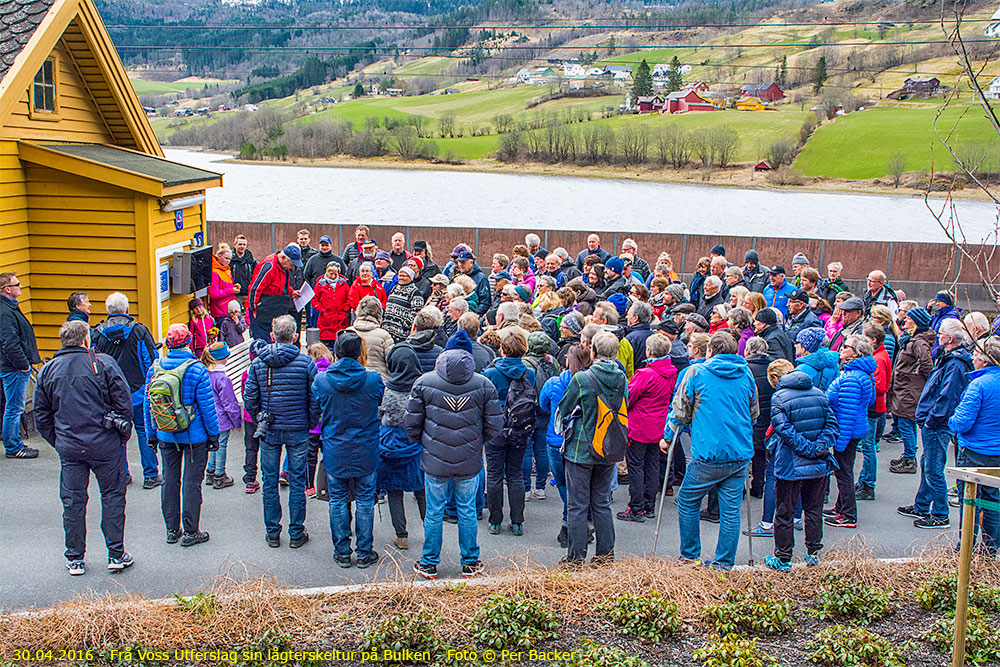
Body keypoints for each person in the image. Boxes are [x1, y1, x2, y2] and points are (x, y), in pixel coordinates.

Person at [34, 320, 133, 575]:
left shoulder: (48, 370)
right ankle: (115, 553)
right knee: (112, 496)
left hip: (69, 445)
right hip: (105, 443)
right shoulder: (103, 363)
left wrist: (58, 441)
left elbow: (41, 415)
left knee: (73, 501)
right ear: (86, 339)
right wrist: (119, 436)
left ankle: (75, 557)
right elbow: (124, 404)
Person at [407, 330, 503, 579]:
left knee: (434, 510)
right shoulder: (484, 384)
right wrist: (476, 442)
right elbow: (494, 425)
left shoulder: (424, 382)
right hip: (469, 458)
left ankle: (429, 562)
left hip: (435, 458)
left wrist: (428, 443)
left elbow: (412, 423)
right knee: (467, 510)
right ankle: (470, 562)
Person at [668, 331, 759, 570]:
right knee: (730, 510)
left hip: (708, 452)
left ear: (710, 351)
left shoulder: (696, 373)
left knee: (688, 500)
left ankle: (690, 556)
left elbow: (680, 412)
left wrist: (668, 437)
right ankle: (723, 564)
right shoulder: (746, 373)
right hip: (739, 452)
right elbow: (753, 413)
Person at [243, 315, 319, 549]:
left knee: (269, 481)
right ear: (296, 337)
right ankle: (296, 531)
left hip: (270, 428)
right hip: (297, 427)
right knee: (297, 481)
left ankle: (272, 531)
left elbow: (249, 398)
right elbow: (314, 398)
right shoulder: (306, 363)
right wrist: (309, 421)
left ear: (272, 336)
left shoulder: (258, 363)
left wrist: (259, 418)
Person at [144, 323, 220, 547]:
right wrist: (213, 436)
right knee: (191, 482)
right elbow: (207, 408)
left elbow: (149, 405)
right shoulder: (197, 369)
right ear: (188, 341)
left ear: (168, 344)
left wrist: (151, 434)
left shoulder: (155, 368)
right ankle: (191, 531)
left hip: (166, 433)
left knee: (169, 481)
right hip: (194, 436)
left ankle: (171, 530)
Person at [312, 331, 385, 568]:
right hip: (366, 447)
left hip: (335, 447)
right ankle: (364, 551)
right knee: (365, 499)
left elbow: (316, 408)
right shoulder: (373, 380)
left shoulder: (322, 381)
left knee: (338, 499)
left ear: (337, 352)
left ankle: (342, 551)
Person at [558, 331, 629, 566]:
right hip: (609, 447)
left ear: (593, 351)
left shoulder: (582, 379)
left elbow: (565, 408)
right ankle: (605, 557)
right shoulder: (621, 378)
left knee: (577, 506)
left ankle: (575, 558)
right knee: (601, 504)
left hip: (580, 448)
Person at [763, 364, 839, 572]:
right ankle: (813, 554)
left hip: (790, 463)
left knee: (784, 511)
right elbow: (832, 425)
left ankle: (783, 557)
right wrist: (819, 447)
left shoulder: (779, 397)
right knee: (814, 510)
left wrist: (805, 448)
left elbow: (783, 429)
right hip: (818, 462)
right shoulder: (821, 395)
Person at [900, 319, 974, 529]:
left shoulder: (955, 363)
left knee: (933, 468)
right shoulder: (949, 359)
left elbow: (947, 396)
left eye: (940, 333)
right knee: (927, 463)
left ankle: (940, 513)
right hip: (934, 422)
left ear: (950, 338)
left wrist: (931, 420)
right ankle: (922, 504)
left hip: (937, 424)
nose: (937, 336)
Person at [93, 292, 161, 487]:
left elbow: (94, 364)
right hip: (138, 390)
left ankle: (121, 475)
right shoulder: (138, 331)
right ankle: (150, 475)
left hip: (112, 393)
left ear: (108, 311)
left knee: (116, 434)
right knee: (144, 431)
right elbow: (152, 358)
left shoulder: (97, 333)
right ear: (127, 309)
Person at [948, 337, 1000, 555]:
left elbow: (961, 422)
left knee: (969, 502)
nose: (972, 357)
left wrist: (950, 422)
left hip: (974, 453)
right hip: (997, 454)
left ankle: (965, 549)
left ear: (985, 361)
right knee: (993, 503)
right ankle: (990, 549)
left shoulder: (978, 385)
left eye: (976, 355)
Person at [618, 334, 677, 522]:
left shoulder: (645, 374)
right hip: (659, 424)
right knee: (652, 464)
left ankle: (636, 507)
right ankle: (649, 504)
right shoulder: (672, 372)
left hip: (639, 425)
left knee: (636, 466)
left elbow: (629, 397)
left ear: (649, 351)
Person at [483, 330, 535, 536]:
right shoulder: (529, 373)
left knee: (494, 474)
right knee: (515, 475)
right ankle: (518, 521)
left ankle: (495, 521)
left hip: (495, 428)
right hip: (520, 428)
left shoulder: (491, 373)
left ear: (502, 349)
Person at [823, 335, 876, 530]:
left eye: (846, 347)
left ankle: (848, 514)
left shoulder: (853, 378)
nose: (841, 349)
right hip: (853, 429)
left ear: (856, 353)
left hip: (847, 432)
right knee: (844, 471)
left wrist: (839, 442)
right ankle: (841, 507)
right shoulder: (861, 373)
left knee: (844, 472)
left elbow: (847, 413)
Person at [887, 306, 935, 475]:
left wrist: (914, 377)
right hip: (904, 388)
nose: (904, 320)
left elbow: (927, 366)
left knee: (906, 423)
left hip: (909, 389)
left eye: (908, 319)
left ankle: (909, 458)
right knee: (906, 422)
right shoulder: (910, 340)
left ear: (916, 322)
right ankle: (909, 455)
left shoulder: (919, 342)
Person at [0, 272, 40, 459]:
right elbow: (9, 342)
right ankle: (13, 446)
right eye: (17, 284)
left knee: (12, 406)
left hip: (11, 366)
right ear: (7, 289)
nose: (20, 287)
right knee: (14, 407)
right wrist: (23, 364)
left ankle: (12, 441)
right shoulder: (5, 311)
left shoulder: (8, 308)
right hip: (13, 368)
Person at [855, 322, 892, 501]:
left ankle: (868, 484)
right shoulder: (879, 355)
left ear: (873, 340)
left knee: (868, 448)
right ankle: (864, 479)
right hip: (875, 406)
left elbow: (880, 386)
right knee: (867, 447)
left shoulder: (878, 358)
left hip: (873, 408)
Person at [523, 332, 559, 500]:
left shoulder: (525, 363)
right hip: (546, 410)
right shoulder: (553, 362)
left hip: (529, 410)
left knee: (527, 449)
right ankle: (540, 487)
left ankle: (526, 488)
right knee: (542, 449)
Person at [202, 343, 241, 490]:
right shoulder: (222, 379)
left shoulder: (206, 374)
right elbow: (229, 403)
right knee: (221, 445)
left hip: (209, 416)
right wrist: (237, 421)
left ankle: (210, 472)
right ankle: (220, 475)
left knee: (213, 444)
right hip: (222, 418)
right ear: (224, 358)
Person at [246, 244, 303, 340]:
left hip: (276, 307)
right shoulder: (269, 265)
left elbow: (280, 284)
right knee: (263, 341)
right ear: (284, 257)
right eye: (291, 264)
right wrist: (253, 308)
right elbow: (255, 288)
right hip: (263, 310)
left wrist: (291, 292)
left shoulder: (284, 267)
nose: (292, 267)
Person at [305, 343, 331, 495]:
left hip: (313, 424)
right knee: (327, 455)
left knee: (311, 456)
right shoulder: (330, 372)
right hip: (328, 422)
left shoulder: (309, 373)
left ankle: (309, 486)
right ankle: (327, 485)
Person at [347, 296, 393, 381]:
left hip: (350, 380)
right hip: (378, 382)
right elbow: (392, 363)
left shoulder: (347, 333)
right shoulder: (384, 336)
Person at [383, 267, 426, 343]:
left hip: (401, 334)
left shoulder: (415, 293)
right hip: (387, 332)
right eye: (400, 275)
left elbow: (416, 313)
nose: (401, 278)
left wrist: (405, 327)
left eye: (405, 276)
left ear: (410, 277)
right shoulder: (394, 288)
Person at [314, 261, 350, 347]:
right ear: (326, 272)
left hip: (340, 319)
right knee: (325, 347)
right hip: (325, 319)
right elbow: (314, 299)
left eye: (335, 274)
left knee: (339, 346)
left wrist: (346, 308)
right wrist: (321, 309)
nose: (333, 276)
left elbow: (349, 298)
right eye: (331, 274)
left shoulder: (344, 284)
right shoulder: (320, 285)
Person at [794, 328, 839, 392]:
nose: (795, 345)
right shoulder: (834, 364)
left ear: (805, 346)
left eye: (797, 342)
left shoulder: (803, 368)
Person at [209, 244, 240, 323]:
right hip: (220, 312)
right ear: (219, 256)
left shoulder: (226, 270)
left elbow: (225, 287)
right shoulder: (214, 272)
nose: (228, 261)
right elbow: (214, 294)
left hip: (229, 310)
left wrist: (234, 286)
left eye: (229, 259)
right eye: (226, 258)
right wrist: (231, 290)